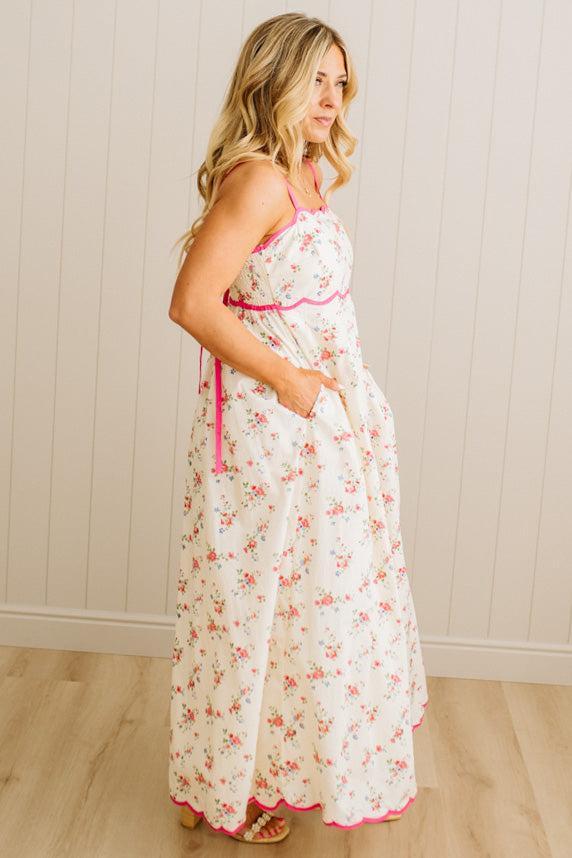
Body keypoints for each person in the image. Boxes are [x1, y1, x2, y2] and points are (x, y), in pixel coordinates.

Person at [167, 11, 429, 845]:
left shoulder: (309, 171)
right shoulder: (256, 180)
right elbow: (192, 303)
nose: (333, 96)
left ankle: (260, 770)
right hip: (271, 426)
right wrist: (292, 383)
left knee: (311, 607)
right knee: (256, 604)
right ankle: (224, 790)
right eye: (317, 78)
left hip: (318, 419)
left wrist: (343, 399)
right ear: (275, 76)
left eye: (340, 80)